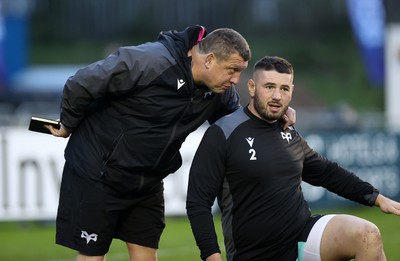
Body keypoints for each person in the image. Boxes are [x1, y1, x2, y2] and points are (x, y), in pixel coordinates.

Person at [45, 25, 296, 261]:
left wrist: (276, 114)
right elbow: (81, 83)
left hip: (148, 182)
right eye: (232, 70)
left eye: (240, 72)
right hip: (98, 172)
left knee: (146, 255)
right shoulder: (150, 61)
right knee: (92, 254)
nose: (235, 80)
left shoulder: (219, 92)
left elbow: (239, 126)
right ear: (209, 60)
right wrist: (68, 123)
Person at [186, 56, 400, 261]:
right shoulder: (223, 132)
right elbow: (198, 202)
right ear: (252, 87)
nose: (277, 96)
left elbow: (326, 172)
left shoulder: (289, 131)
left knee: (367, 236)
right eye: (269, 87)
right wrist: (212, 256)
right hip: (256, 254)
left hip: (303, 237)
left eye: (284, 89)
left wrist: (376, 198)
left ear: (291, 91)